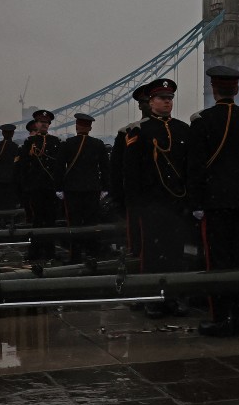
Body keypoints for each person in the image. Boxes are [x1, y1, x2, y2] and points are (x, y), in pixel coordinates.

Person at [187, 65, 239, 337]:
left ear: (213, 89)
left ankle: (220, 318)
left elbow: (195, 167)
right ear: (236, 88)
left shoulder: (201, 122)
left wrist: (196, 203)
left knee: (217, 262)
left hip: (214, 202)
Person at [122, 77, 190, 317]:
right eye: (162, 98)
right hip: (151, 203)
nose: (167, 102)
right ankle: (152, 298)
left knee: (175, 254)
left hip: (176, 203)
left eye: (170, 98)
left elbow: (189, 168)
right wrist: (135, 205)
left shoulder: (183, 129)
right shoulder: (139, 131)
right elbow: (132, 173)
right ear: (151, 102)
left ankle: (175, 297)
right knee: (152, 255)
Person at [57, 112, 110, 263]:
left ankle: (75, 255)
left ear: (76, 126)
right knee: (91, 223)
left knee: (73, 224)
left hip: (72, 190)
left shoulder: (67, 144)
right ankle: (92, 254)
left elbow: (59, 167)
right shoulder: (98, 144)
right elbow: (105, 168)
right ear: (90, 127)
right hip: (92, 190)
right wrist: (105, 188)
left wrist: (58, 188)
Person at [110, 83, 152, 257]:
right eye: (145, 101)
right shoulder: (127, 133)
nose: (149, 105)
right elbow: (117, 169)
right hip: (138, 198)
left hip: (165, 199)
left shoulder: (176, 130)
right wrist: (119, 199)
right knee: (139, 243)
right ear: (140, 105)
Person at [15, 110, 61, 261]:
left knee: (50, 220)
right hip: (35, 188)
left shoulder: (55, 141)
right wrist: (25, 187)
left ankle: (49, 252)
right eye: (41, 122)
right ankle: (34, 251)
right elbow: (23, 166)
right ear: (36, 124)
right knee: (37, 220)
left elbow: (60, 166)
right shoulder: (29, 143)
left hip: (50, 187)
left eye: (47, 122)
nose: (44, 124)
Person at [0, 123, 21, 217]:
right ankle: (10, 221)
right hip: (11, 181)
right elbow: (18, 166)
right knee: (10, 205)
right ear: (13, 134)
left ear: (2, 133)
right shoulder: (16, 147)